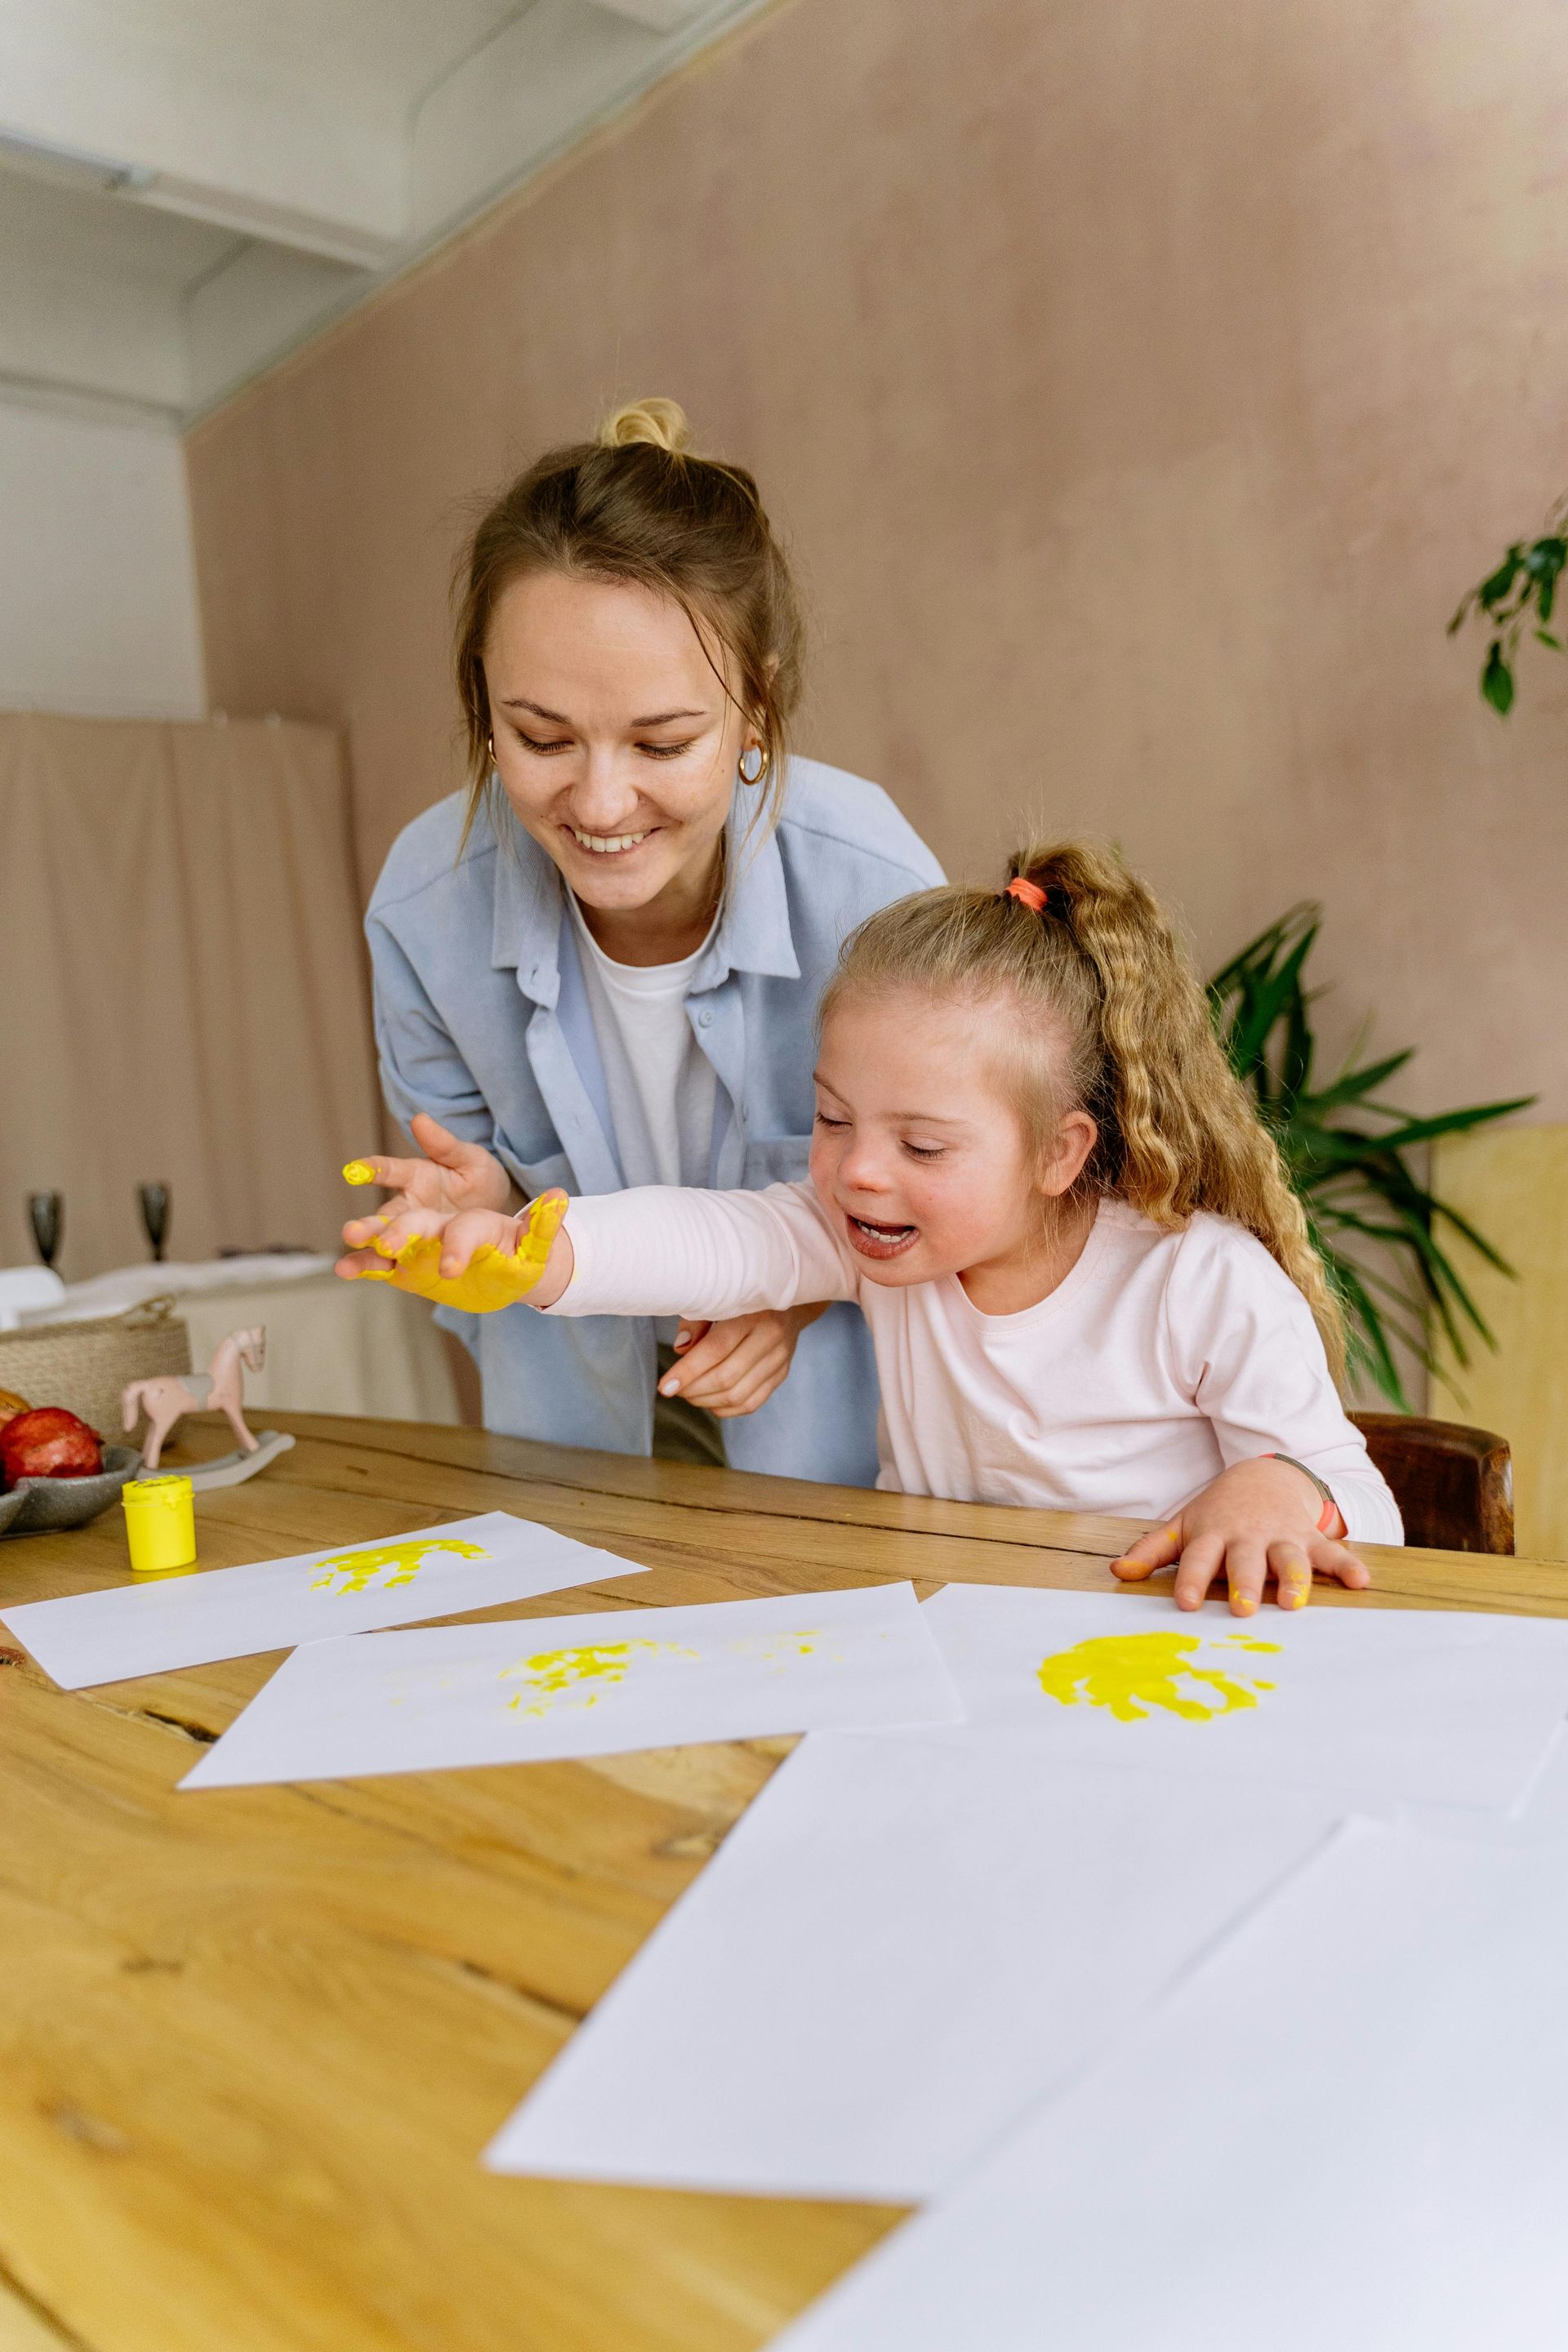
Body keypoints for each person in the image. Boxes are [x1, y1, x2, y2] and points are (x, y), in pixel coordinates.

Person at [340, 840, 1403, 1614]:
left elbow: (1365, 1502)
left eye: (923, 1147)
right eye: (831, 1118)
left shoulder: (1195, 1280)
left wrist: (1276, 1486)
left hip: (1160, 1662)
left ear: (1059, 1153)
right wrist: (531, 1246)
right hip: (957, 1648)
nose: (858, 1173)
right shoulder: (876, 1242)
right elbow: (718, 1241)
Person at [352, 396, 942, 1481]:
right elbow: (489, 1197)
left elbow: (954, 1199)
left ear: (755, 712)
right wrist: (484, 1210)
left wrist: (803, 1289)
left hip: (846, 1461)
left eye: (661, 742)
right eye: (541, 737)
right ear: (484, 710)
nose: (603, 800)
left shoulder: (875, 890)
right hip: (574, 1450)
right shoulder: (424, 909)